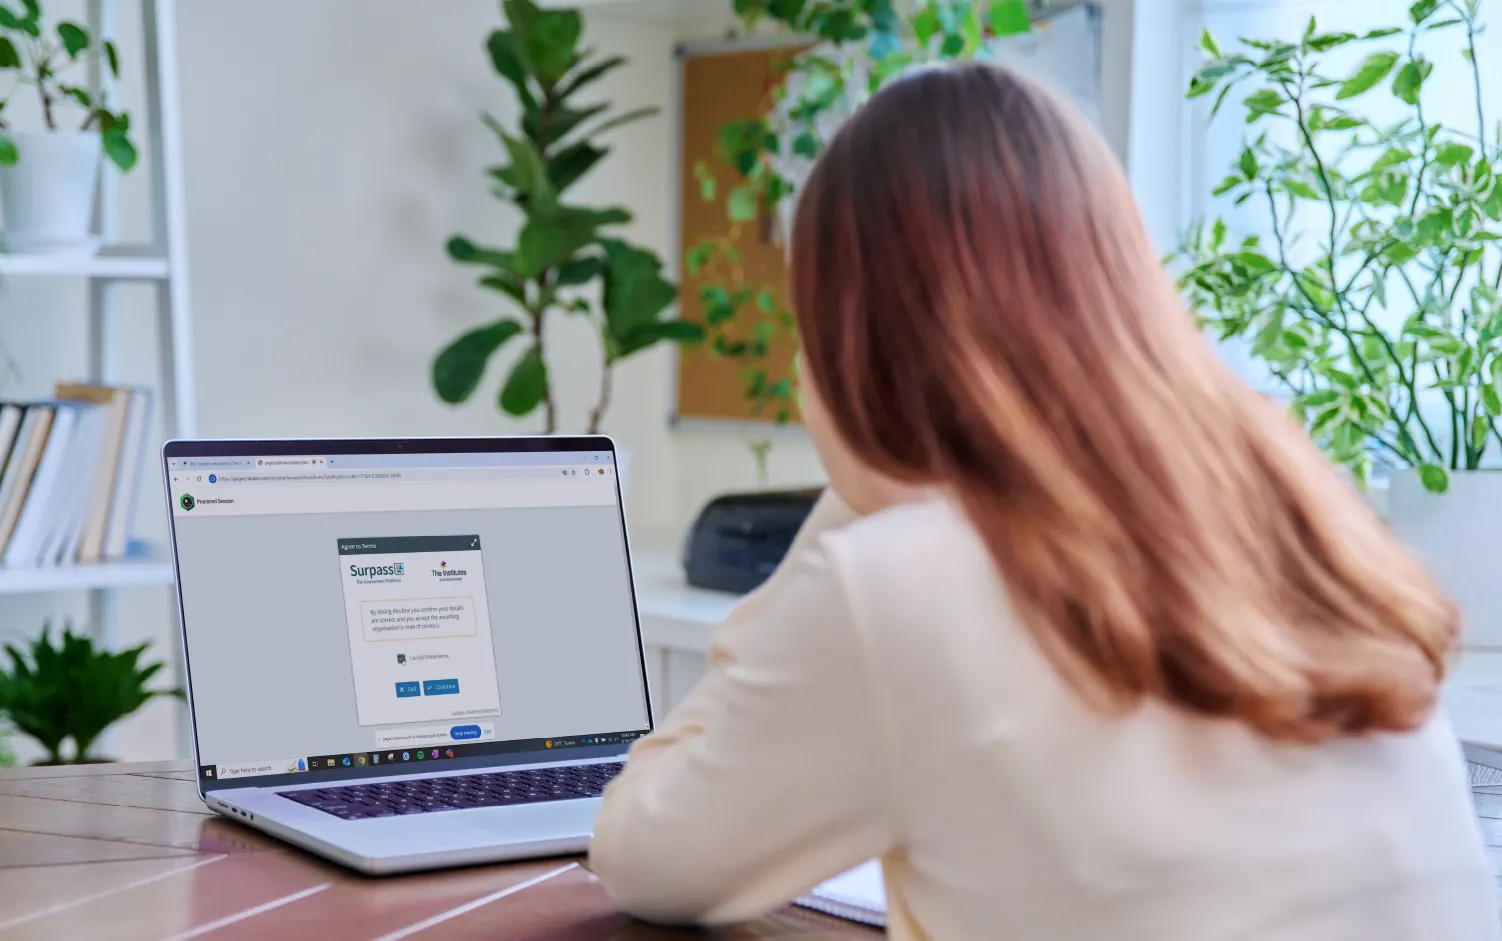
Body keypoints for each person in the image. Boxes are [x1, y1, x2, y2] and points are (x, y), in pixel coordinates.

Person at [588, 62, 1499, 940]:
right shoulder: (1293, 510)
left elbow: (648, 854)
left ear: (855, 343)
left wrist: (864, 496)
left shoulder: (902, 580)